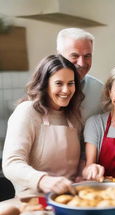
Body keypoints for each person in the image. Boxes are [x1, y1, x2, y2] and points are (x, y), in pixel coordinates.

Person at [2, 55, 84, 195]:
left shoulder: (73, 116)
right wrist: (43, 180)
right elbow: (11, 163)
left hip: (69, 197)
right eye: (59, 83)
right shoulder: (27, 111)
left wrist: (84, 170)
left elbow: (76, 160)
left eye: (71, 83)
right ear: (45, 85)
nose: (66, 90)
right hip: (33, 199)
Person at [56, 28, 103, 122]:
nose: (81, 63)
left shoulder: (100, 91)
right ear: (59, 55)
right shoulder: (42, 88)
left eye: (87, 56)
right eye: (74, 56)